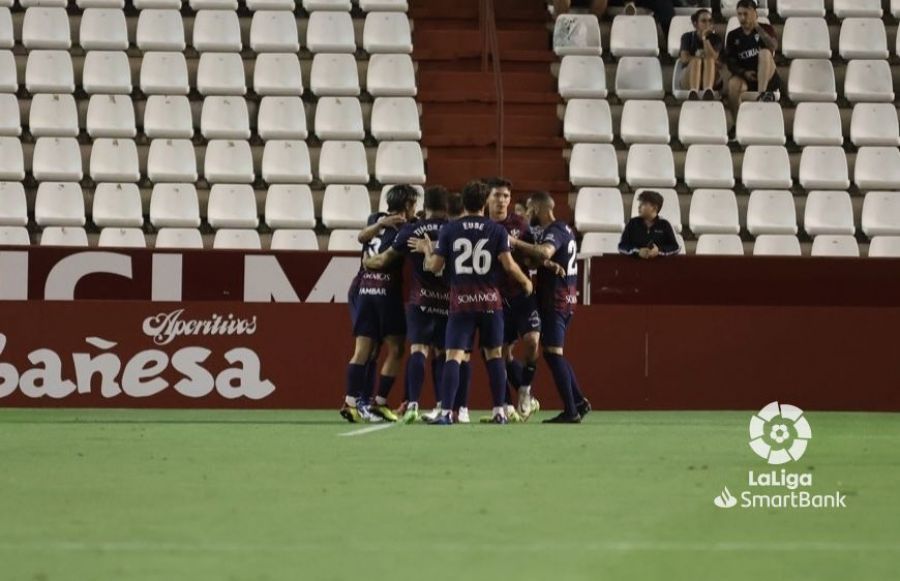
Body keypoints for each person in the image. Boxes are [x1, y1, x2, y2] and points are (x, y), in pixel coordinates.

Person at [410, 181, 533, 425]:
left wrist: (426, 251)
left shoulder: (451, 229)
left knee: (454, 356)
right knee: (495, 355)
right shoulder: (497, 231)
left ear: (463, 202)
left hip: (461, 302)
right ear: (485, 201)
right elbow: (508, 265)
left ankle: (447, 412)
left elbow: (435, 266)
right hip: (490, 301)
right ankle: (500, 410)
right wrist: (525, 283)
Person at [364, 187, 451, 425]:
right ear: (446, 207)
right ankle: (443, 406)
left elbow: (384, 259)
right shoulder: (453, 231)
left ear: (426, 207)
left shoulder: (412, 230)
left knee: (418, 350)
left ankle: (412, 404)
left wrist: (367, 262)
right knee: (442, 354)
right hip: (447, 300)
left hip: (420, 299)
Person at [339, 185, 419, 424]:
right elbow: (386, 259)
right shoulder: (406, 228)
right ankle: (379, 403)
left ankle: (351, 403)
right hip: (386, 291)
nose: (416, 208)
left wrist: (379, 227)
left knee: (364, 350)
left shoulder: (376, 219)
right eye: (414, 204)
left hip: (364, 289)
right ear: (407, 205)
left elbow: (362, 237)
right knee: (396, 349)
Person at [511, 192, 591, 423]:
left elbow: (545, 251)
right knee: (551, 353)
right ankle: (578, 401)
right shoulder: (565, 230)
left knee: (554, 354)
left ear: (537, 209)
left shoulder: (555, 230)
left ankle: (571, 410)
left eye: (528, 208)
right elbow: (544, 257)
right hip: (564, 298)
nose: (527, 214)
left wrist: (515, 242)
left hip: (556, 299)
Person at [485, 178, 541, 421]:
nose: (501, 200)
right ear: (488, 197)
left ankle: (526, 389)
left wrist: (533, 257)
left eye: (506, 196)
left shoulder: (519, 224)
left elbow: (533, 255)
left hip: (521, 293)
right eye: (497, 195)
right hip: (495, 298)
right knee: (503, 354)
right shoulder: (482, 225)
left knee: (532, 341)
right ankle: (509, 401)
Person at [724, 0, 780, 117]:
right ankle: (738, 125)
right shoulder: (733, 35)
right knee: (733, 84)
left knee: (765, 53)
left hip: (767, 77)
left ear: (755, 14)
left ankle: (761, 95)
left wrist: (757, 27)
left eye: (746, 14)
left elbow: (773, 47)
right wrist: (744, 72)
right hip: (747, 77)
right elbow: (730, 62)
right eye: (739, 14)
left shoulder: (766, 28)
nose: (742, 18)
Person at [618, 191, 681, 258]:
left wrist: (658, 251)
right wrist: (638, 251)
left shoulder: (665, 225)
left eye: (643, 204)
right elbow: (622, 246)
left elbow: (675, 248)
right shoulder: (632, 223)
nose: (639, 207)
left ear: (654, 208)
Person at [677, 8, 722, 101]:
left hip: (711, 79)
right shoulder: (687, 37)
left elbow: (713, 57)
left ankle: (708, 91)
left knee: (709, 60)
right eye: (703, 21)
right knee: (696, 61)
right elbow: (684, 58)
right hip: (688, 78)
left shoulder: (716, 38)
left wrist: (705, 38)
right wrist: (699, 58)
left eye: (710, 21)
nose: (707, 24)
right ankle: (693, 92)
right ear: (695, 24)